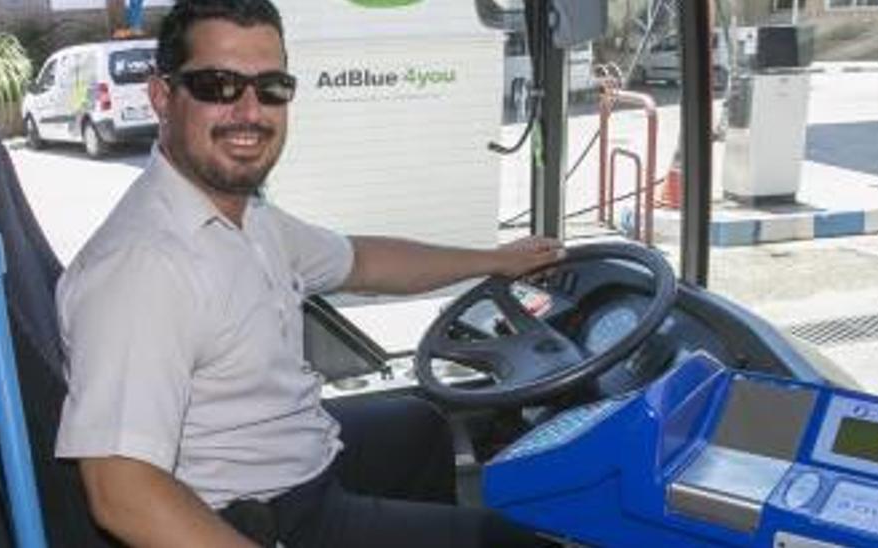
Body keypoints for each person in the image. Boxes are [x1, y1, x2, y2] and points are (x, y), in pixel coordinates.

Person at [54, 1, 562, 546]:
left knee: (420, 426)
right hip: (265, 513)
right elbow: (120, 492)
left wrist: (495, 259)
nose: (250, 111)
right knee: (503, 541)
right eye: (217, 85)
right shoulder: (143, 267)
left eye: (270, 87)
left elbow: (363, 261)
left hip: (300, 451)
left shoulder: (243, 213)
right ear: (162, 97)